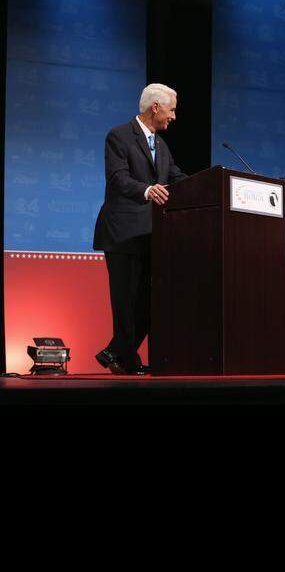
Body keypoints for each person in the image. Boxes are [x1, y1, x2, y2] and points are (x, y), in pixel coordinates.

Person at [92, 83, 188, 374]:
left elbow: (177, 178)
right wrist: (146, 190)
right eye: (171, 110)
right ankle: (125, 359)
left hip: (151, 234)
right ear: (155, 107)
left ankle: (116, 352)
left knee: (151, 302)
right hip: (122, 232)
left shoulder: (161, 145)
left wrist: (211, 185)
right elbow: (117, 178)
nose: (173, 117)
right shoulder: (119, 136)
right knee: (126, 301)